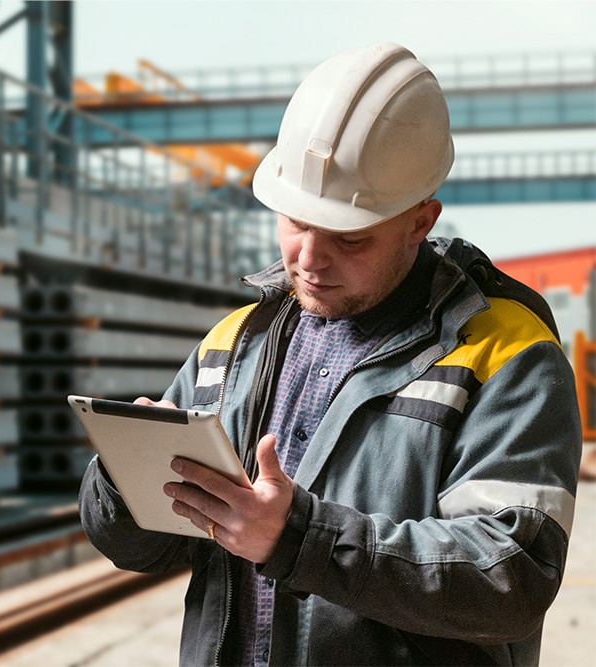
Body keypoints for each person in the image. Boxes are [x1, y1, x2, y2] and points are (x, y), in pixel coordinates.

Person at [79, 43, 583, 666]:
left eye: (349, 238)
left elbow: (510, 579)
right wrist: (125, 481)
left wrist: (300, 538)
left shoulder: (507, 354)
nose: (309, 261)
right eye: (294, 222)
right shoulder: (237, 343)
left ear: (421, 220)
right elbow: (142, 549)